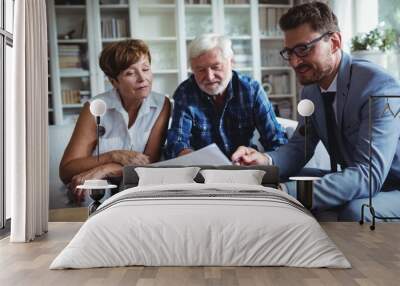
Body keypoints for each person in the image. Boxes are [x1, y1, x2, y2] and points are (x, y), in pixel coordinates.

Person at [232, 2, 400, 220]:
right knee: (269, 180)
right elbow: (300, 148)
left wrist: (286, 194)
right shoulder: (310, 91)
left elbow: (368, 176)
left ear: (335, 42)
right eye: (289, 52)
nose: (294, 61)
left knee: (356, 211)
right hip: (356, 179)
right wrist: (264, 160)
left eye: (303, 49)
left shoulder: (377, 87)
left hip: (391, 183)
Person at [60, 39, 171, 202]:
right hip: (94, 194)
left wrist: (105, 168)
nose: (142, 78)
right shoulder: (94, 108)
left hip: (139, 193)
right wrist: (113, 156)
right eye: (130, 73)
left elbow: (147, 164)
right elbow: (67, 170)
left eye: (146, 69)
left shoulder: (162, 104)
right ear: (113, 81)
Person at [165, 33, 287, 159]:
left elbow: (277, 140)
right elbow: (177, 141)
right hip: (203, 171)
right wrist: (188, 156)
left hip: (243, 166)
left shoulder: (251, 90)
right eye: (200, 70)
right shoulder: (185, 92)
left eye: (216, 67)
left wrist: (260, 158)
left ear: (231, 62)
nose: (209, 77)